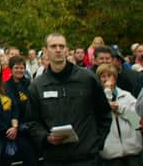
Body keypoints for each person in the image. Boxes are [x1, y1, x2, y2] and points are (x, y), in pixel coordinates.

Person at [27, 33, 112, 166]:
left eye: (62, 46)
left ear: (67, 50)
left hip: (87, 158)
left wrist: (97, 143)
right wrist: (46, 138)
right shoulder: (37, 86)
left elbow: (104, 113)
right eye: (53, 46)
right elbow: (32, 122)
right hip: (54, 159)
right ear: (45, 51)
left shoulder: (87, 79)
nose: (58, 50)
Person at [96, 63, 143, 166]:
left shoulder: (126, 96)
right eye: (103, 76)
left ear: (115, 77)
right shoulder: (96, 98)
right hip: (110, 153)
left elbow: (137, 121)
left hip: (132, 150)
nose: (106, 79)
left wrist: (120, 109)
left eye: (109, 76)